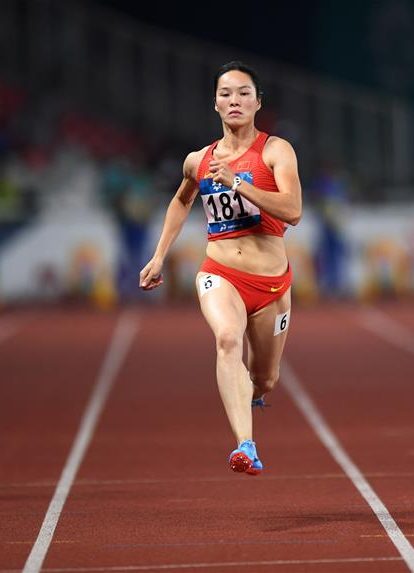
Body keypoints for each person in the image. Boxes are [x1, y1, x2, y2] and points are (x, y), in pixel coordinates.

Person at [139, 62, 302, 475]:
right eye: (226, 93)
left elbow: (294, 210)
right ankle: (246, 445)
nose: (235, 100)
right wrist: (159, 256)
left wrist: (237, 182)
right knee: (228, 339)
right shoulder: (199, 160)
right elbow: (182, 200)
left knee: (266, 378)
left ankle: (252, 393)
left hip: (271, 285)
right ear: (215, 103)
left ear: (258, 102)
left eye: (244, 93)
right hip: (221, 273)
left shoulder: (275, 151)